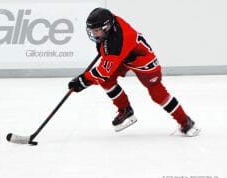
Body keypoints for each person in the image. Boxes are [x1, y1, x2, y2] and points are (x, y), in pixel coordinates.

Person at [68, 8, 200, 137]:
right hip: (124, 57)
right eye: (92, 31)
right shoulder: (110, 21)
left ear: (107, 26)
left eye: (96, 31)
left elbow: (103, 72)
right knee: (107, 81)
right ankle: (125, 110)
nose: (94, 34)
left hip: (144, 62)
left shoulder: (118, 41)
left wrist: (82, 81)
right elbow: (107, 59)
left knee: (157, 93)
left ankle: (185, 122)